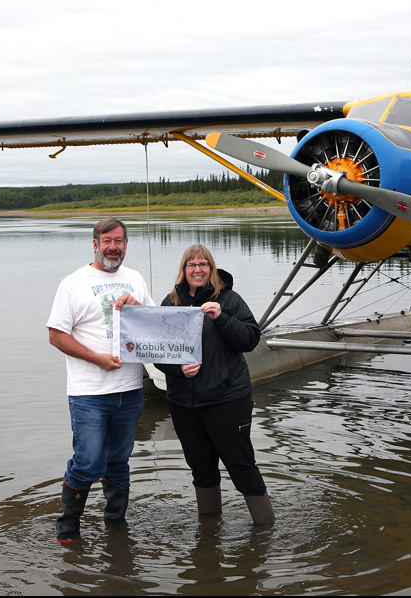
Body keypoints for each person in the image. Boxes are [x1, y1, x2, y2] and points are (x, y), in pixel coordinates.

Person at [46, 217, 154, 543]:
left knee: (118, 460)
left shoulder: (134, 278)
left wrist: (139, 308)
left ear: (125, 244)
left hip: (131, 388)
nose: (113, 247)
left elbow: (155, 327)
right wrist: (97, 359)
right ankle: (67, 527)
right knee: (89, 461)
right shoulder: (73, 283)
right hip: (89, 392)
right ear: (95, 244)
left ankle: (115, 523)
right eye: (106, 241)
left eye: (119, 241)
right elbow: (55, 336)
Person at [153, 245, 274, 524]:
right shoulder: (170, 304)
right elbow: (157, 352)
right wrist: (178, 369)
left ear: (212, 269)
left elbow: (250, 339)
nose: (197, 269)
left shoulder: (229, 300)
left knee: (241, 466)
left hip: (227, 400)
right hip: (184, 402)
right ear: (184, 270)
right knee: (201, 468)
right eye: (191, 265)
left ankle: (266, 529)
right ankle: (209, 528)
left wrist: (222, 318)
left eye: (203, 264)